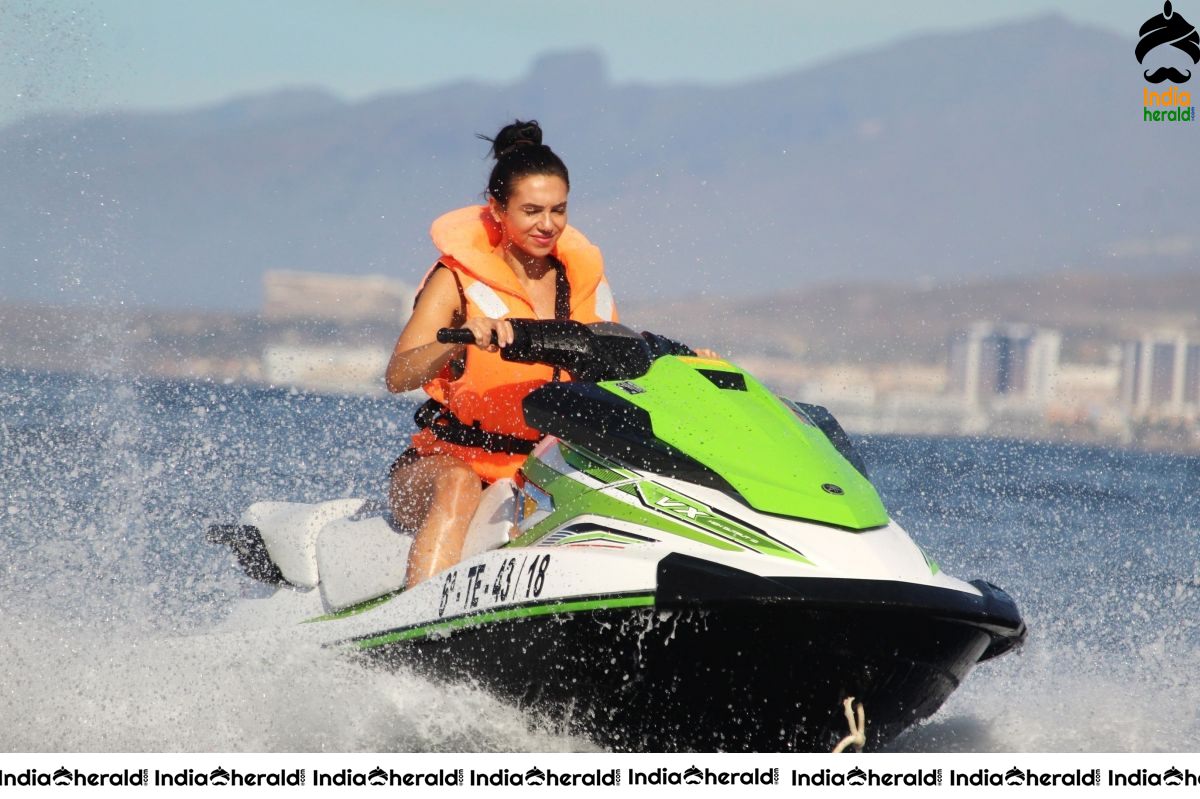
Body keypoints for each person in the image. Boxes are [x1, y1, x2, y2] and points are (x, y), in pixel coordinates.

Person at [385, 120, 618, 586]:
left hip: (539, 467)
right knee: (459, 485)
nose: (547, 224)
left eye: (558, 210)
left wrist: (689, 360)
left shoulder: (586, 285)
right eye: (532, 210)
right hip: (444, 464)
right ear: (497, 209)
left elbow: (620, 369)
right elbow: (398, 375)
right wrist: (459, 338)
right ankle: (416, 640)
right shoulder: (454, 280)